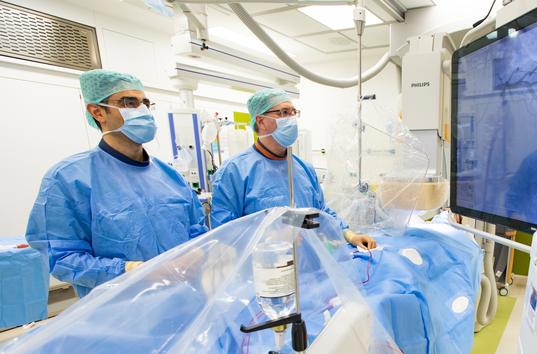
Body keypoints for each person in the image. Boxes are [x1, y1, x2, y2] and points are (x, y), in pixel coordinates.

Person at [26, 69, 208, 298]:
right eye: (130, 103)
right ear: (98, 111)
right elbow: (61, 257)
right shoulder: (69, 179)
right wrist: (133, 271)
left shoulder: (171, 177)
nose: (142, 111)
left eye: (145, 103)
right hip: (119, 313)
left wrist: (199, 253)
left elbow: (198, 233)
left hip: (184, 301)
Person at [211, 88, 376, 249]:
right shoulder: (235, 171)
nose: (291, 118)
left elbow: (318, 214)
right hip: (263, 267)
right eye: (283, 112)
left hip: (308, 264)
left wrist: (349, 235)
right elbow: (224, 230)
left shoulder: (303, 168)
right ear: (261, 121)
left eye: (293, 112)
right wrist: (269, 237)